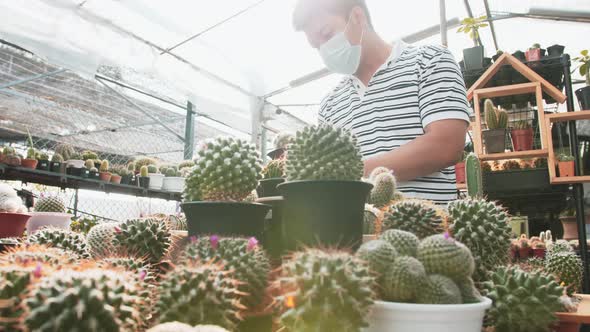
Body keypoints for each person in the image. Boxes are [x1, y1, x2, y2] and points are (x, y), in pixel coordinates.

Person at [293, 0, 470, 204]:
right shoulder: (329, 105)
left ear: (358, 18)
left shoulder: (430, 61)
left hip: (428, 229)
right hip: (358, 232)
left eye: (326, 34)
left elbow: (446, 145)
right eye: (317, 46)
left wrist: (347, 172)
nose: (325, 50)